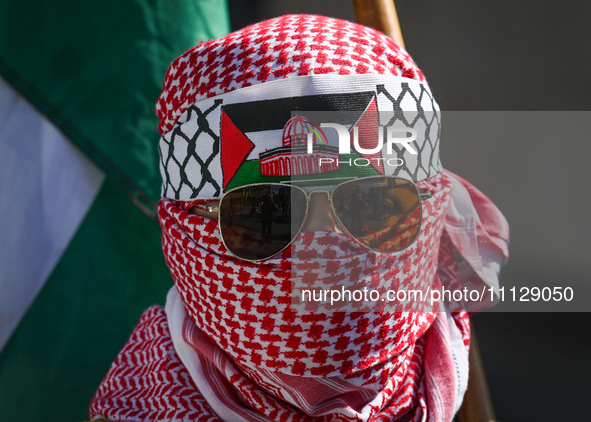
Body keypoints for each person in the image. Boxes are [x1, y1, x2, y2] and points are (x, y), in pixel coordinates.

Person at [89, 15, 509, 422]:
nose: (324, 255)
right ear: (185, 230)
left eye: (373, 206)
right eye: (264, 213)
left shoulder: (446, 378)